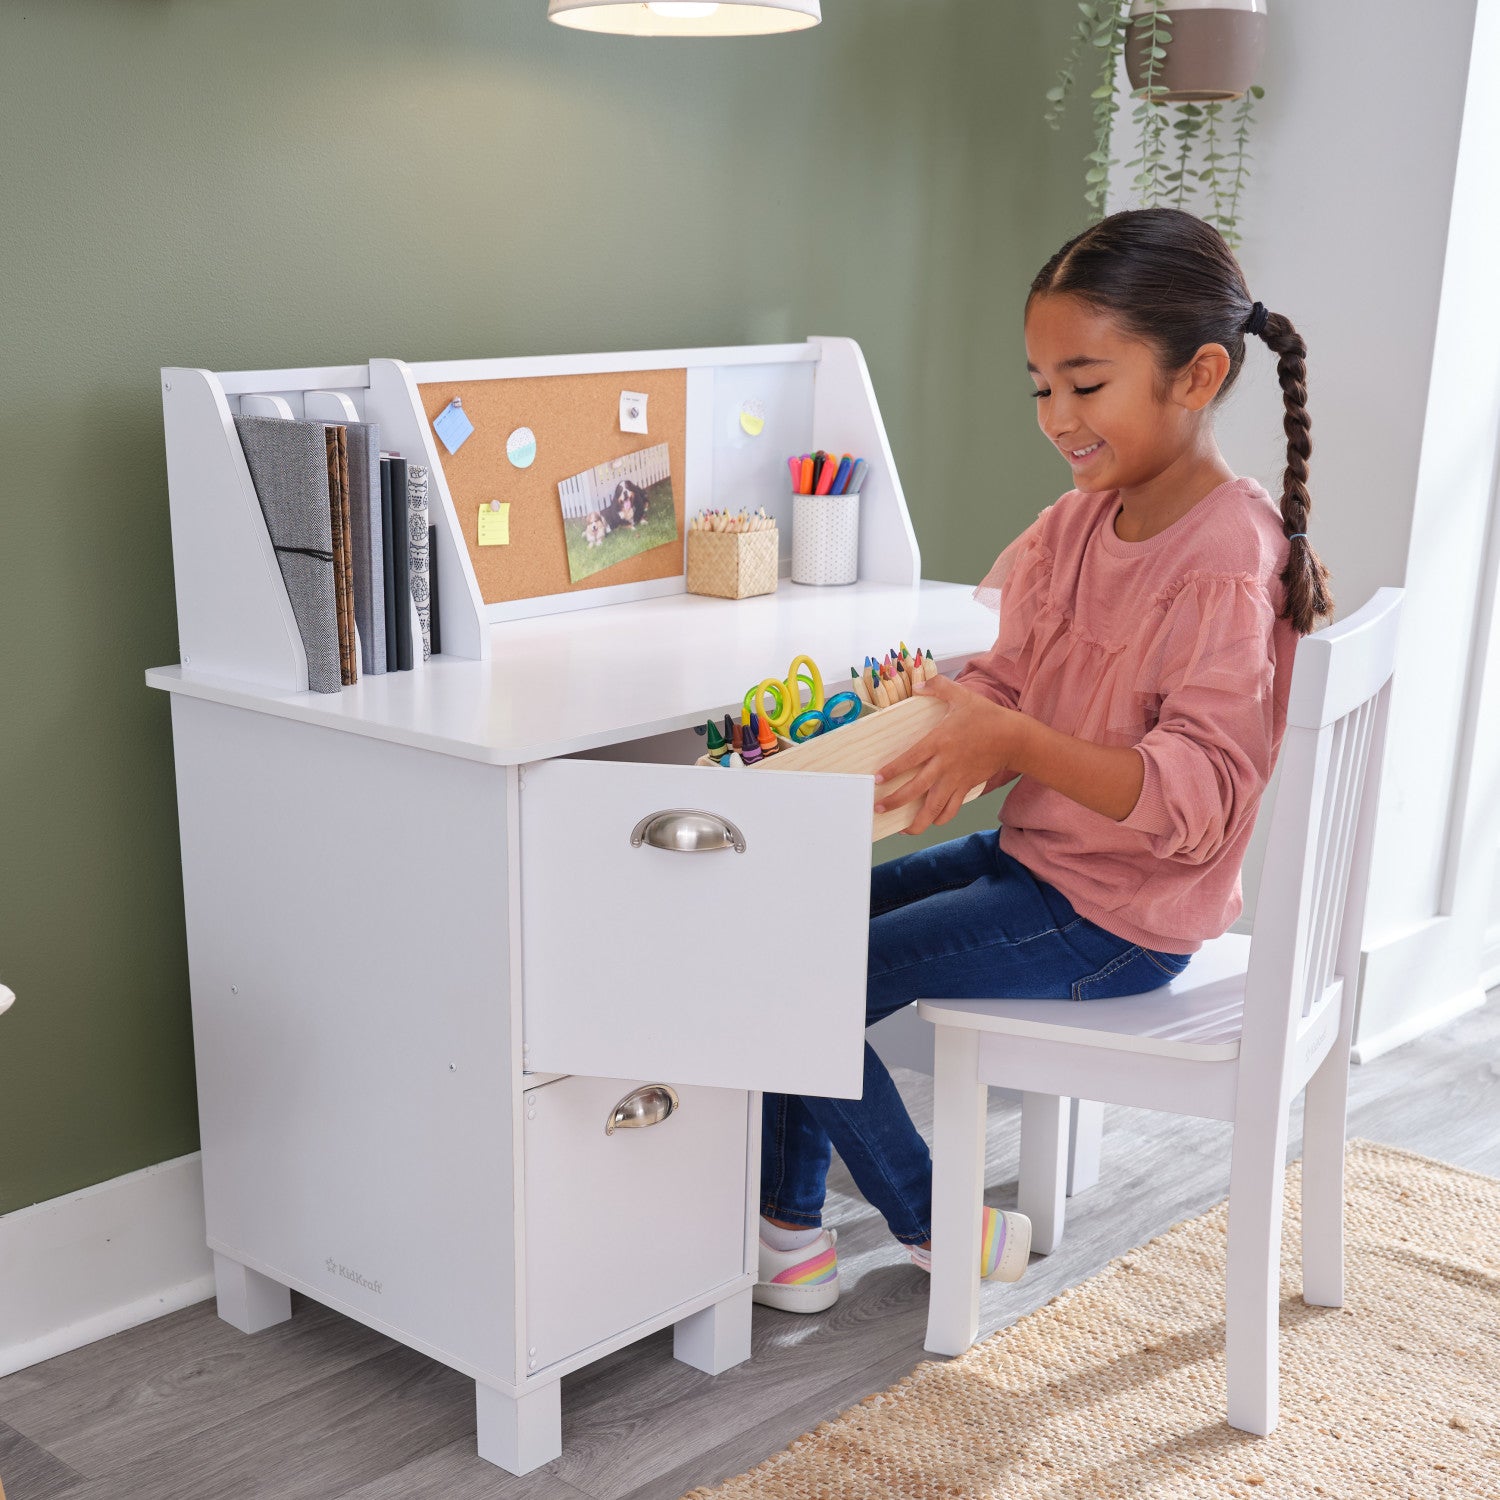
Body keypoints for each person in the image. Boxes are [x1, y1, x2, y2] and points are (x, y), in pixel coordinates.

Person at [754, 206, 1335, 1314]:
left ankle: (934, 1227)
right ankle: (791, 1236)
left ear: (1196, 375)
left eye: (1086, 383)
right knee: (781, 921)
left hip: (1121, 920)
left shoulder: (1223, 558)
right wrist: (934, 725)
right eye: (1040, 388)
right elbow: (1010, 678)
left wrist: (1011, 741)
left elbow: (1197, 806)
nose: (1058, 417)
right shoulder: (1080, 522)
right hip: (1042, 866)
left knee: (803, 975)